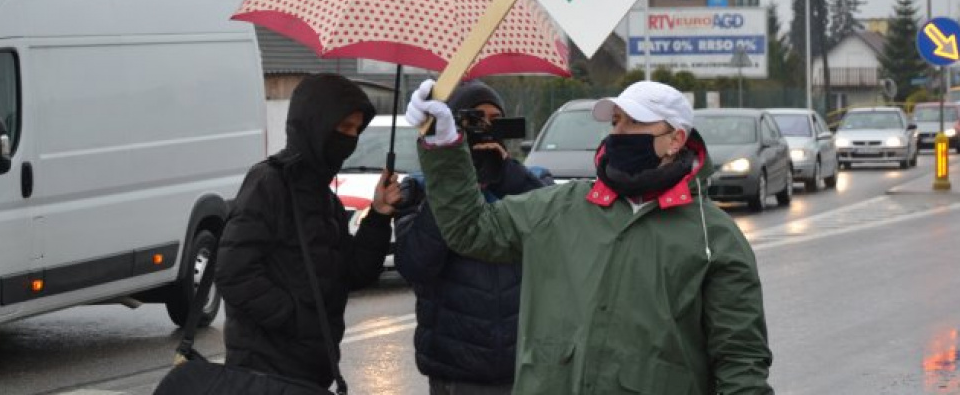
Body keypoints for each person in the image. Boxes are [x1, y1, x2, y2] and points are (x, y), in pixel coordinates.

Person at [406, 80, 774, 395]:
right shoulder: (561, 207)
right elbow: (470, 229)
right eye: (615, 121)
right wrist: (446, 147)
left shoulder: (714, 236)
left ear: (676, 139)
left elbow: (741, 360)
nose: (618, 133)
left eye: (634, 123)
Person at [215, 73, 401, 388]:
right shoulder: (268, 184)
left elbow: (353, 273)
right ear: (315, 124)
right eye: (343, 128)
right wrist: (295, 319)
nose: (350, 138)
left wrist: (380, 216)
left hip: (313, 372)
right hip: (263, 373)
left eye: (356, 130)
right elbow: (233, 271)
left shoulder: (326, 199)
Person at [395, 80, 551, 394]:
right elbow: (416, 265)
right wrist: (456, 183)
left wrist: (505, 173)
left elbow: (555, 230)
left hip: (524, 368)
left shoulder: (530, 182)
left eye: (496, 120)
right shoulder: (420, 189)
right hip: (456, 372)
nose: (486, 128)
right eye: (475, 120)